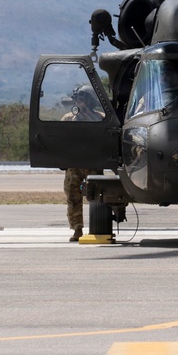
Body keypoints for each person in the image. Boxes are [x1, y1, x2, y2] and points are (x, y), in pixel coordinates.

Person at [61, 86, 105, 242]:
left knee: (98, 196)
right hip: (74, 164)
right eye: (78, 100)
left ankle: (99, 227)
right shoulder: (68, 119)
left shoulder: (100, 118)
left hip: (93, 162)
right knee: (73, 196)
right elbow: (61, 141)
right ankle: (77, 229)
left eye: (83, 100)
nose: (79, 103)